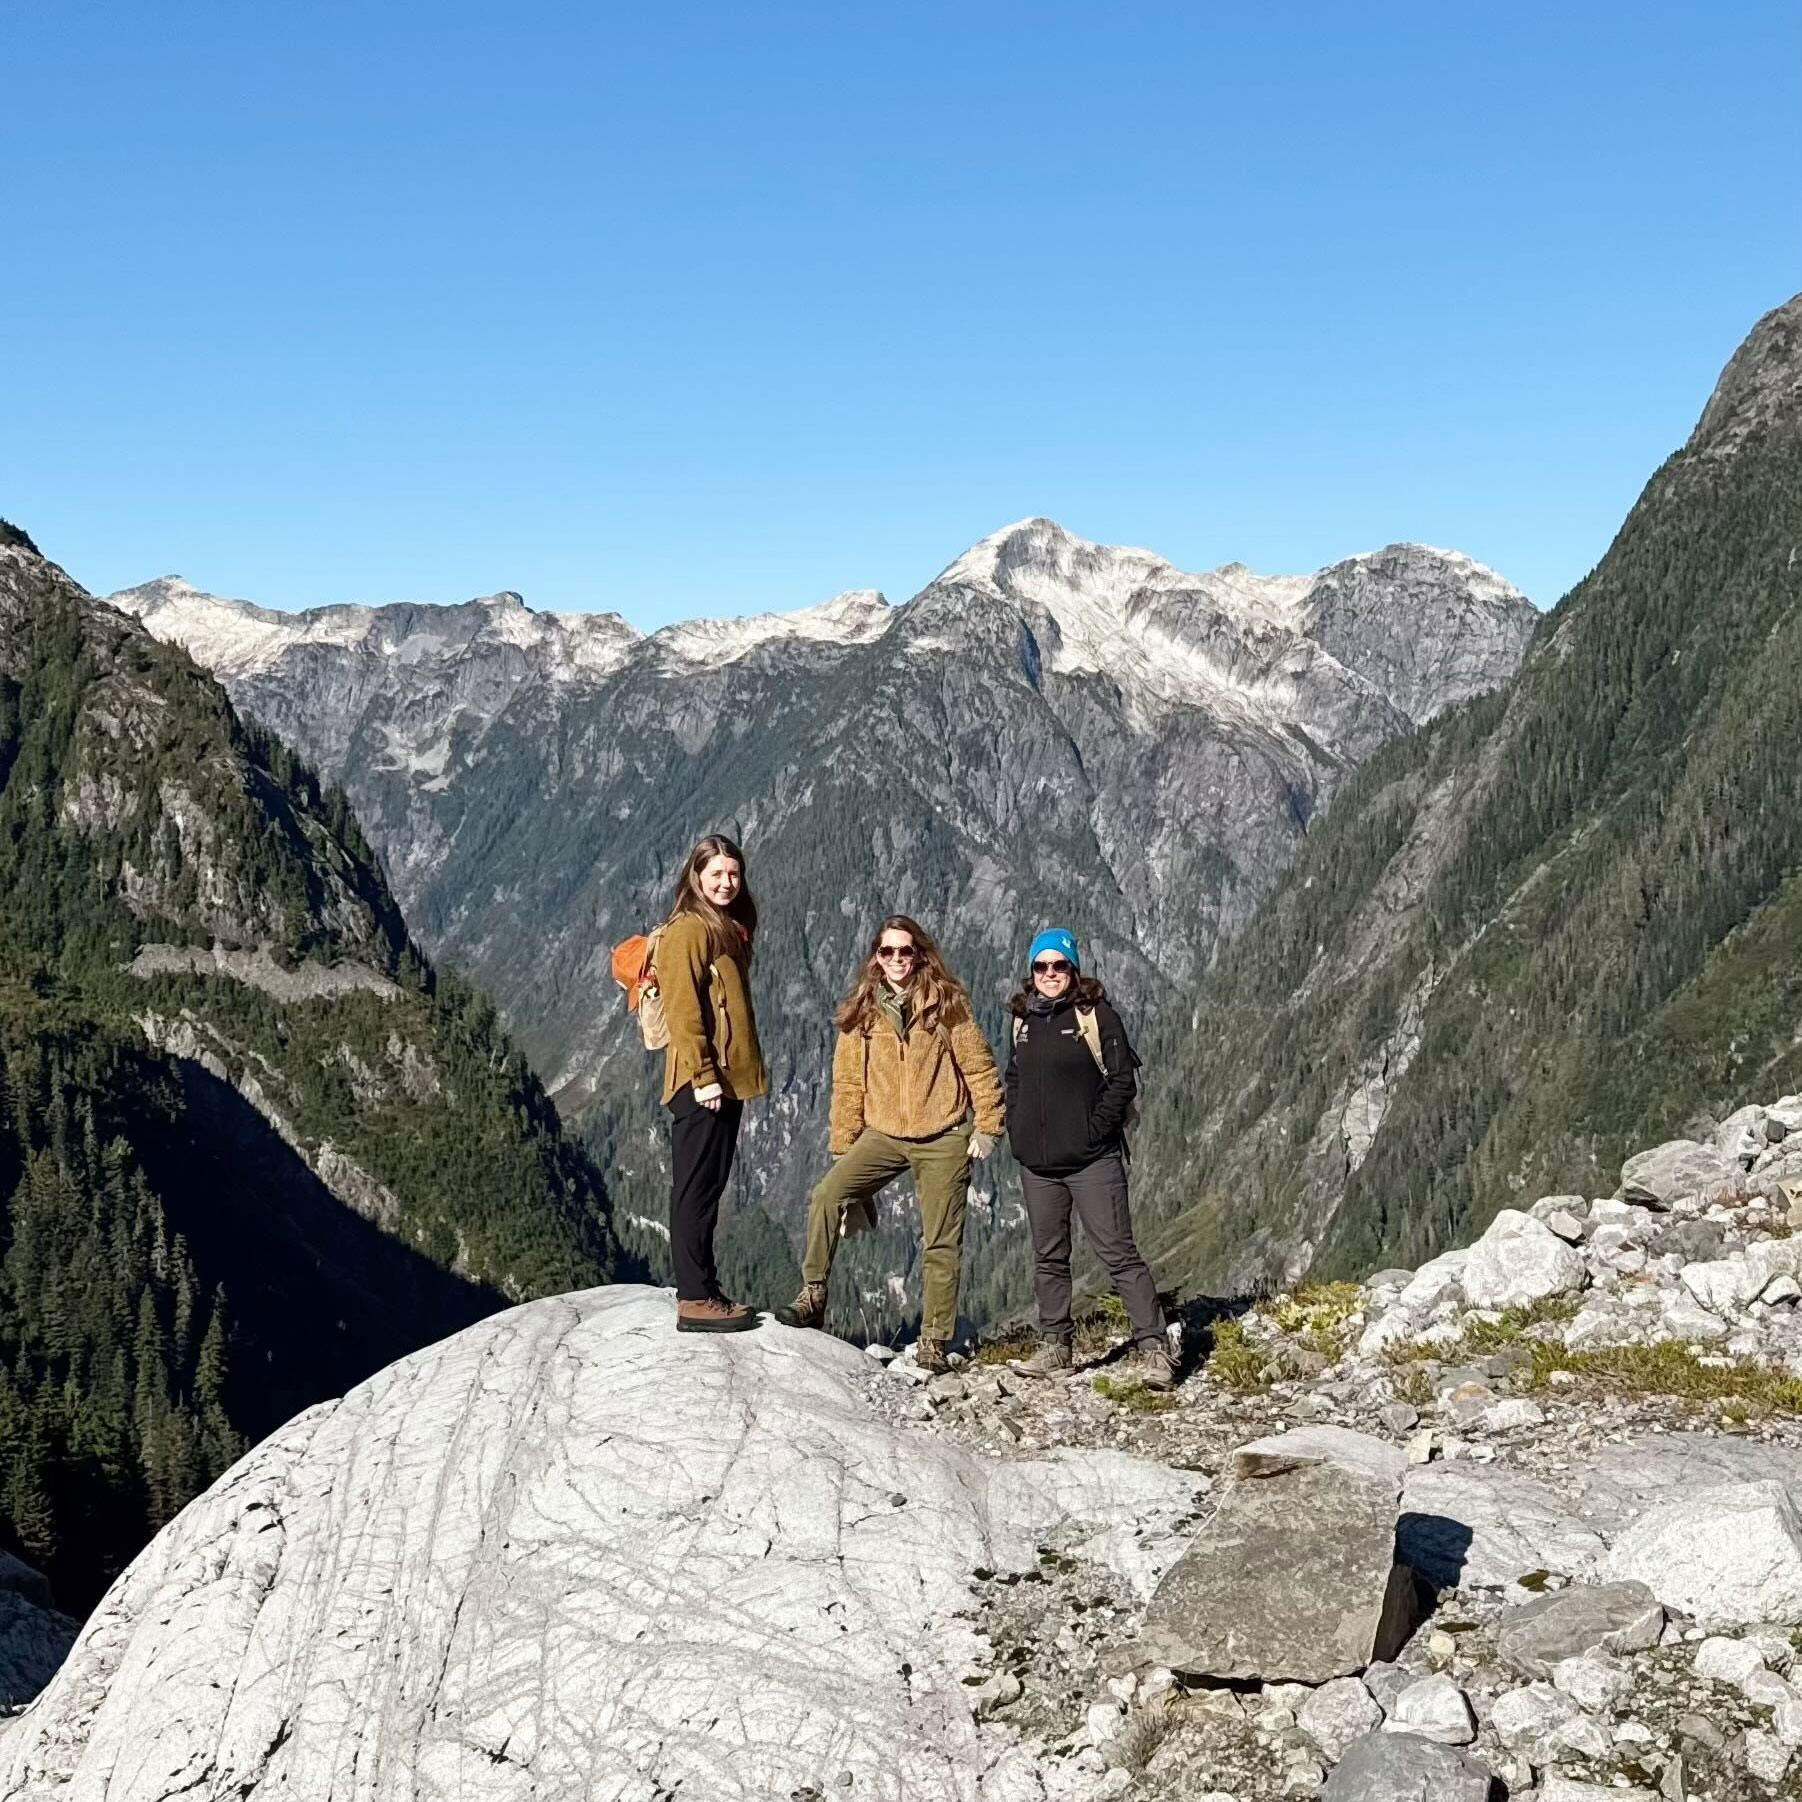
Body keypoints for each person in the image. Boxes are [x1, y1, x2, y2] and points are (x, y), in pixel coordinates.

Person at [775, 915, 1004, 1371]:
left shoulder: (947, 1004)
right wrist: (844, 1149)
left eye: (905, 951)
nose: (897, 960)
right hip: (882, 1135)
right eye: (888, 952)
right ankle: (813, 1294)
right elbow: (848, 1085)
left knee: (940, 1242)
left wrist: (988, 1127)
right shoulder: (861, 1011)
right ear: (875, 959)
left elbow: (978, 1067)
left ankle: (935, 1341)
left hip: (942, 1136)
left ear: (920, 954)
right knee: (826, 1194)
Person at [1004, 928, 1174, 1389]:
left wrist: (1093, 1132)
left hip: (1091, 1162)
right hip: (1038, 1165)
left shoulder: (1096, 1017)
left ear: (1073, 969)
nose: (1050, 974)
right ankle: (1056, 1345)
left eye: (1059, 965)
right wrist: (1016, 1130)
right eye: (1042, 966)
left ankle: (1154, 1346)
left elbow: (1122, 1083)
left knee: (1118, 1252)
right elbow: (1013, 1078)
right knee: (1049, 1256)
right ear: (1032, 972)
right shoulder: (1023, 1020)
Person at [655, 833, 767, 1333]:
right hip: (702, 1083)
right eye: (716, 873)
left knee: (708, 1188)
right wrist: (703, 1076)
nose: (726, 882)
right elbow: (683, 1010)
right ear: (696, 876)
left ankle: (704, 1286)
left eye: (733, 874)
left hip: (725, 1081)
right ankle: (694, 1298)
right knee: (695, 1190)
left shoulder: (725, 927)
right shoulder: (689, 929)